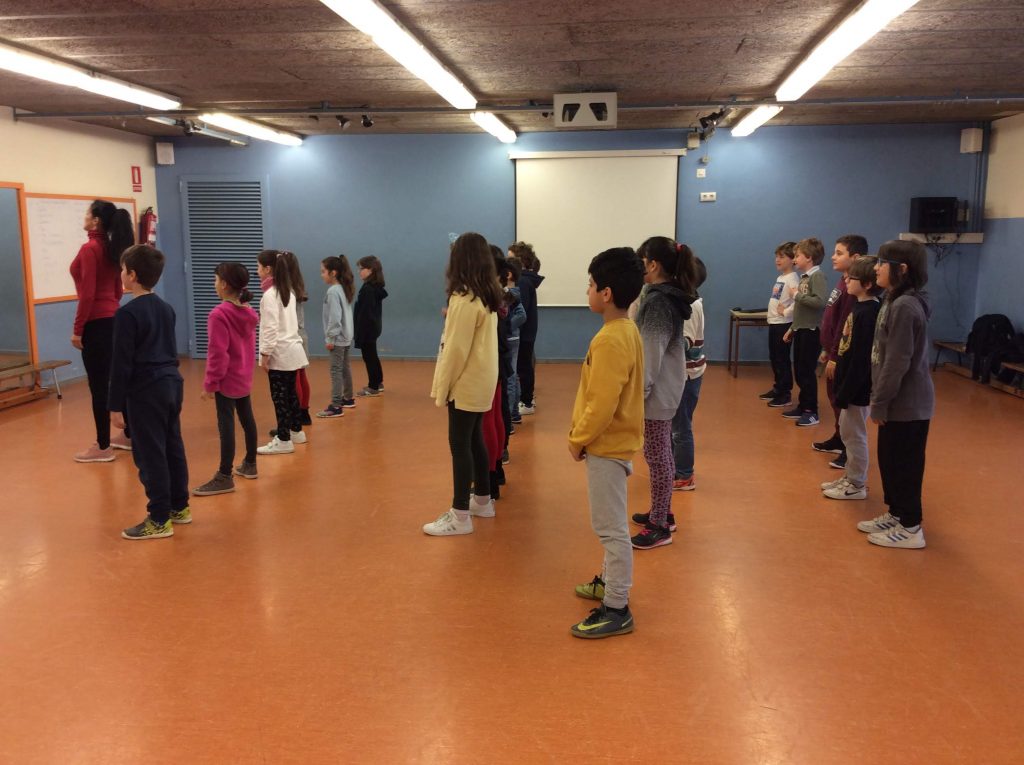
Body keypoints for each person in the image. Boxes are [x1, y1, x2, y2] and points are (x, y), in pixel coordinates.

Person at [569, 247, 645, 639]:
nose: (587, 290)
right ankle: (607, 581)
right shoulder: (626, 330)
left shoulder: (610, 340)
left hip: (606, 446)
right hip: (616, 442)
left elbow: (601, 403)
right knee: (610, 523)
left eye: (590, 284)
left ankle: (616, 607)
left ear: (606, 293)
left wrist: (578, 438)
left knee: (610, 528)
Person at [423, 232, 502, 536]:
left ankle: (460, 516)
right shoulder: (486, 295)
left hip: (466, 383)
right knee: (474, 440)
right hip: (481, 381)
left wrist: (442, 389)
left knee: (459, 445)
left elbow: (455, 351)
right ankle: (482, 500)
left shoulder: (464, 299)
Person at [108, 245, 189, 540]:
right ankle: (179, 507)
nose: (120, 274)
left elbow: (121, 363)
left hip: (146, 390)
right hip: (171, 384)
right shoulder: (166, 308)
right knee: (172, 445)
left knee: (149, 453)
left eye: (122, 269)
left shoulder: (127, 314)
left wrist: (115, 405)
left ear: (132, 275)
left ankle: (158, 518)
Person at [857, 241, 934, 549]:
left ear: (901, 269)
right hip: (894, 402)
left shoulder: (905, 306)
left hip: (907, 404)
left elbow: (897, 362)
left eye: (882, 263)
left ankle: (911, 526)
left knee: (905, 465)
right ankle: (897, 513)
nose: (876, 267)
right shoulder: (893, 299)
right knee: (889, 460)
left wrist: (879, 402)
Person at [629, 237, 695, 550]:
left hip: (658, 391)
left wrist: (638, 393)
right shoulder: (663, 296)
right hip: (665, 387)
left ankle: (660, 526)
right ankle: (662, 511)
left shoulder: (658, 302)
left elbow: (651, 354)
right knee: (660, 454)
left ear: (653, 265)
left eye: (642, 261)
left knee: (657, 457)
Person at [70, 199, 135, 462]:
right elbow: (118, 290)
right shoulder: (111, 248)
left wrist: (78, 329)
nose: (84, 217)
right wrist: (110, 309)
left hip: (96, 324)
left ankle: (103, 446)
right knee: (117, 379)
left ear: (96, 220)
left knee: (98, 386)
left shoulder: (90, 249)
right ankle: (129, 435)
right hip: (112, 319)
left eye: (87, 213)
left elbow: (87, 294)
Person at [192, 262, 260, 496]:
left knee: (226, 425)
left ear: (223, 284)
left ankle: (224, 476)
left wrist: (210, 384)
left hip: (227, 380)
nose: (214, 284)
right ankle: (250, 463)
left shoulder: (219, 314)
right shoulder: (248, 312)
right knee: (247, 419)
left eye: (215, 280)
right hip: (244, 376)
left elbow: (217, 353)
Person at [822, 257, 881, 501]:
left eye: (851, 277)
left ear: (867, 284)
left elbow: (861, 359)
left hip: (857, 389)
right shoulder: (858, 306)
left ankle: (857, 483)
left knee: (855, 436)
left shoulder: (870, 313)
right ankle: (850, 476)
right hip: (847, 384)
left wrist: (846, 390)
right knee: (847, 433)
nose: (845, 280)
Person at [814, 235, 869, 467]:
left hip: (841, 355)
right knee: (833, 398)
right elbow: (832, 319)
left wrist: (835, 356)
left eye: (839, 253)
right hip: (832, 351)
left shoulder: (853, 288)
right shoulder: (842, 281)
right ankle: (839, 437)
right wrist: (826, 348)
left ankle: (848, 447)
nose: (833, 257)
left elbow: (845, 326)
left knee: (841, 401)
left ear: (855, 257)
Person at [255, 250, 309, 455]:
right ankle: (296, 431)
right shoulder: (288, 292)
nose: (257, 271)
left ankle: (284, 439)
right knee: (290, 394)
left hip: (280, 353)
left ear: (268, 269)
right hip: (292, 351)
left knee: (279, 398)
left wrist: (265, 354)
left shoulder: (270, 295)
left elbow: (270, 328)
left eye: (259, 267)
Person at [783, 237, 828, 427]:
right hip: (801, 329)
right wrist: (792, 328)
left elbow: (820, 302)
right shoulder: (804, 277)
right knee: (800, 371)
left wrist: (797, 295)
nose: (794, 260)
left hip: (811, 331)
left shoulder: (817, 276)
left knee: (807, 372)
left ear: (809, 257)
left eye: (798, 256)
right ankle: (803, 406)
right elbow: (801, 310)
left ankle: (811, 411)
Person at [672, 256, 707, 491]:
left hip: (686, 375)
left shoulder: (690, 306)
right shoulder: (689, 302)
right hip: (686, 373)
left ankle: (685, 474)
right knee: (677, 426)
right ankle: (676, 469)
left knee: (681, 428)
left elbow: (684, 342)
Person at [762, 241, 799, 408]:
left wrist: (786, 312)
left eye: (782, 257)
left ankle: (785, 394)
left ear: (792, 259)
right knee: (774, 357)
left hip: (783, 324)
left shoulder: (793, 278)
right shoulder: (781, 278)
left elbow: (798, 301)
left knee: (782, 359)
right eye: (776, 256)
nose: (777, 260)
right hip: (774, 322)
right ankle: (778, 388)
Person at [318, 255, 355, 418]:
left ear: (333, 273)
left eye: (323, 271)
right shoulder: (342, 288)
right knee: (344, 367)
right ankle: (348, 398)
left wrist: (330, 338)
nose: (321, 275)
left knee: (336, 370)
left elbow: (334, 317)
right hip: (346, 336)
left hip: (338, 338)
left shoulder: (333, 291)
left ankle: (336, 406)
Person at [509, 241, 543, 416]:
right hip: (526, 332)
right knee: (525, 365)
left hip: (523, 333)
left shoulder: (522, 281)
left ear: (520, 261)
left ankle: (527, 401)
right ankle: (526, 398)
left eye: (510, 258)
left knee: (523, 367)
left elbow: (520, 310)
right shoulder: (527, 280)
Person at [282, 253, 314, 423]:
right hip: (301, 335)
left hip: (293, 336)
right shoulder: (297, 285)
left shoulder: (287, 290)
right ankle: (304, 412)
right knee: (301, 375)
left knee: (295, 378)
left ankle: (296, 415)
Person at [354, 255, 388, 396]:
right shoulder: (373, 287)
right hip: (373, 327)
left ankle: (373, 386)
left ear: (370, 270)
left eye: (361, 269)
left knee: (369, 357)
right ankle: (378, 382)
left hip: (367, 329)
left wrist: (360, 332)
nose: (359, 272)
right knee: (372, 355)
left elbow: (365, 313)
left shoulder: (368, 289)